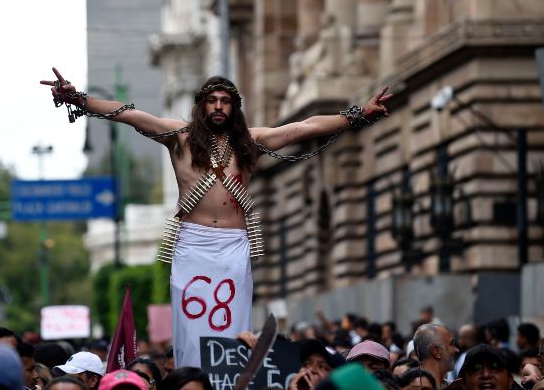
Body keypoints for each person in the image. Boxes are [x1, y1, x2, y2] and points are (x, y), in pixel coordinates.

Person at [41, 68, 391, 368]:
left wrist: (358, 114)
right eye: (213, 101)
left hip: (235, 247)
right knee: (193, 330)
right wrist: (79, 100)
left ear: (234, 108)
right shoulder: (177, 138)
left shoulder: (250, 142)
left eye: (226, 101)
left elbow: (305, 127)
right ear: (201, 106)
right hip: (192, 245)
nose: (219, 107)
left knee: (232, 327)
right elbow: (128, 114)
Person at [412, 324, 459, 389]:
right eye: (451, 344)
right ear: (436, 352)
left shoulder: (453, 387)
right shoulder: (411, 387)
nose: (457, 350)